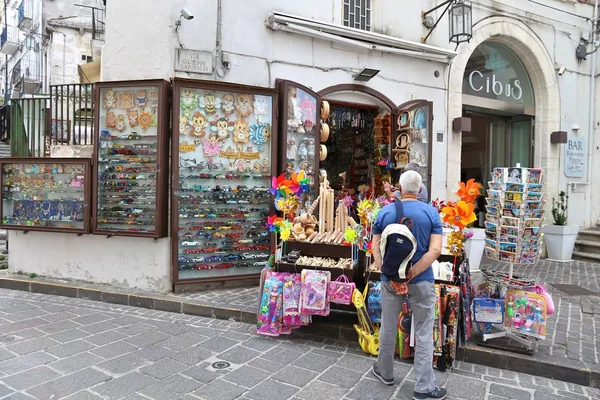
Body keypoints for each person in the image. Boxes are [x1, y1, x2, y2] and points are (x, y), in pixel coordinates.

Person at [371, 170, 446, 400]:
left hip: (390, 280)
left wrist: (390, 272)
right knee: (423, 331)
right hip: (422, 280)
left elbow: (375, 247)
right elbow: (435, 250)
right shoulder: (431, 213)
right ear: (420, 189)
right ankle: (423, 387)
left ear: (400, 189)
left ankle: (385, 372)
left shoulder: (385, 212)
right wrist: (413, 272)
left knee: (389, 324)